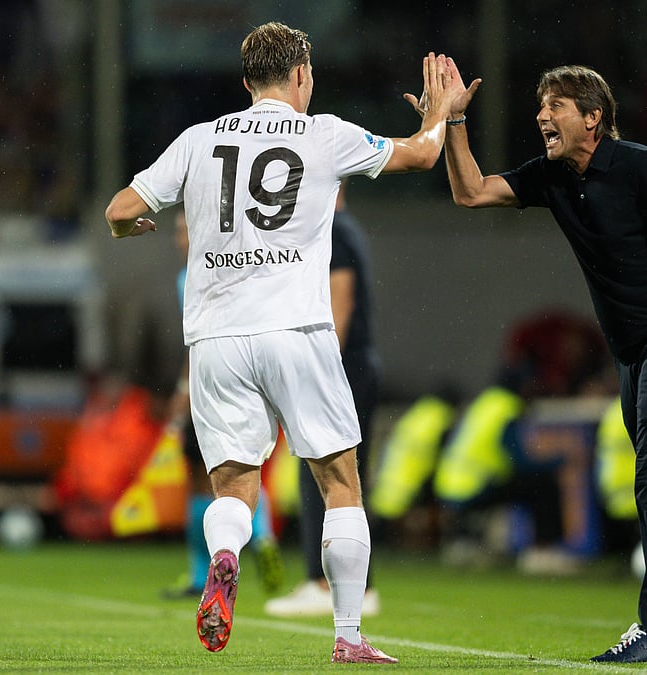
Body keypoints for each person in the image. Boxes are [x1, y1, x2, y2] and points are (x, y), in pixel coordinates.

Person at [105, 22, 460, 664]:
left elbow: (121, 210)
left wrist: (134, 231)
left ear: (246, 82)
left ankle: (221, 559)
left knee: (234, 487)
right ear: (302, 75)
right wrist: (439, 113)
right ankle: (349, 635)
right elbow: (422, 154)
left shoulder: (198, 140)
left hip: (215, 339)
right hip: (296, 328)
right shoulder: (325, 134)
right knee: (340, 483)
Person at [437, 60, 647, 663]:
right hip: (633, 353)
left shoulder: (639, 164)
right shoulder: (554, 176)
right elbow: (470, 192)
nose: (542, 116)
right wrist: (455, 120)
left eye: (556, 106)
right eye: (541, 107)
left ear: (594, 118)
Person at [265, 180, 384, 617]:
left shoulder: (332, 227)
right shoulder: (344, 227)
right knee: (342, 475)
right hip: (353, 366)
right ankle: (352, 584)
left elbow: (340, 304)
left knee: (326, 473)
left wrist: (316, 370)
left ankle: (325, 581)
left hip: (341, 367)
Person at [161, 209, 283, 600]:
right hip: (250, 380)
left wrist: (183, 391)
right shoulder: (238, 268)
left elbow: (197, 345)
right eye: (178, 232)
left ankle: (203, 570)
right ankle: (263, 538)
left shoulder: (190, 279)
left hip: (210, 385)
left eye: (186, 231)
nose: (181, 240)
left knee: (203, 480)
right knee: (244, 469)